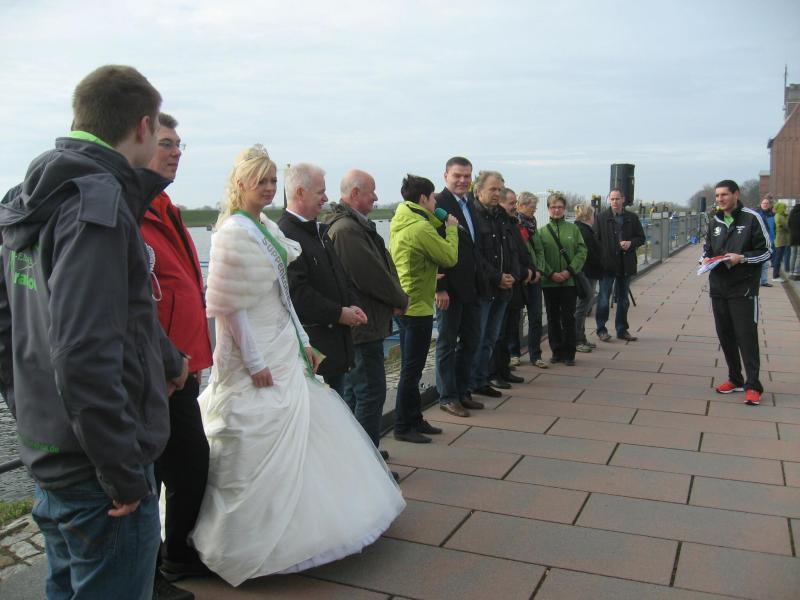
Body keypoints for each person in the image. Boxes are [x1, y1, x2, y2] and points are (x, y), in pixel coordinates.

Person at [0, 65, 188, 600]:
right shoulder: (97, 205)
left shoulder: (27, 200)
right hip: (98, 470)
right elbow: (82, 351)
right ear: (143, 126)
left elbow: (9, 331)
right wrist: (122, 472)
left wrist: (167, 358)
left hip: (52, 450)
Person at [190, 145, 405, 585]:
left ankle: (313, 527)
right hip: (254, 347)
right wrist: (253, 361)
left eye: (273, 180)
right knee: (252, 433)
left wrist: (303, 341)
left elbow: (283, 295)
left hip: (283, 341)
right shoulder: (231, 231)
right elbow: (231, 309)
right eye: (262, 181)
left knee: (308, 426)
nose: (270, 188)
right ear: (241, 184)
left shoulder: (266, 226)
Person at [140, 113, 213, 597]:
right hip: (153, 370)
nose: (176, 152)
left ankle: (177, 552)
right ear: (139, 142)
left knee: (189, 463)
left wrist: (192, 358)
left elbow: (184, 285)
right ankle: (150, 574)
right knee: (150, 475)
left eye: (179, 144)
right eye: (166, 143)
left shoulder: (165, 208)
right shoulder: (132, 213)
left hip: (181, 365)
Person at [324, 170, 408, 453]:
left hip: (364, 323)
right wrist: (400, 299)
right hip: (363, 326)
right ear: (355, 193)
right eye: (371, 191)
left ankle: (358, 454)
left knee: (356, 392)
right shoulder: (347, 230)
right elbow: (371, 275)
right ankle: (367, 459)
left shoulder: (351, 226)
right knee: (370, 392)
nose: (376, 197)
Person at [278, 164, 367, 396]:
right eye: (320, 192)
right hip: (316, 351)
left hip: (335, 346)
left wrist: (353, 303)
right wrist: (339, 313)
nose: (326, 198)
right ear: (300, 192)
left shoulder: (318, 232)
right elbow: (297, 294)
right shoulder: (286, 235)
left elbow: (341, 276)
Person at [390, 174, 459, 443]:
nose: (435, 204)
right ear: (423, 199)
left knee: (412, 368)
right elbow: (449, 257)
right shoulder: (420, 227)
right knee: (411, 370)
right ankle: (402, 426)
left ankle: (414, 418)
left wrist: (430, 275)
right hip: (416, 308)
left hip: (408, 300)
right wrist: (451, 228)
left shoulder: (403, 221)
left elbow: (412, 259)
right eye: (433, 199)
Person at [702, 180, 771, 406]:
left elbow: (767, 251)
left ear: (736, 194)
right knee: (725, 335)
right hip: (718, 288)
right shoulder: (714, 221)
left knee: (746, 337)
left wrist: (742, 258)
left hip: (744, 288)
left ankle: (753, 385)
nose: (720, 199)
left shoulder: (752, 218)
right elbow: (707, 248)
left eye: (724, 195)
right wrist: (705, 259)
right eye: (717, 196)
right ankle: (735, 378)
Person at [434, 157, 486, 417]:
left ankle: (463, 392)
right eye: (457, 175)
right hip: (450, 288)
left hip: (471, 287)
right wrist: (439, 288)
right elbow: (432, 247)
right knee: (446, 344)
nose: (463, 180)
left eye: (467, 176)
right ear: (446, 176)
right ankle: (447, 396)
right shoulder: (438, 205)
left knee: (471, 341)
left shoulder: (470, 204)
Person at [469, 171, 517, 397]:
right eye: (493, 189)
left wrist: (513, 275)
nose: (497, 193)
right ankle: (470, 383)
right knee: (477, 339)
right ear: (478, 191)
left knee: (491, 338)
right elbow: (475, 255)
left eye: (499, 189)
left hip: (504, 288)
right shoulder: (472, 215)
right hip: (484, 288)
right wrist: (496, 277)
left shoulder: (502, 216)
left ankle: (481, 380)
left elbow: (512, 249)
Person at [537, 192, 587, 366]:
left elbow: (582, 252)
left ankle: (569, 353)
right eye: (553, 207)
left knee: (568, 317)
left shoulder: (573, 229)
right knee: (552, 318)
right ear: (548, 209)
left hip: (569, 282)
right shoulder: (542, 232)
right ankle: (556, 351)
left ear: (564, 209)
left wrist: (569, 271)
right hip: (549, 282)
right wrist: (550, 273)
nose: (556, 210)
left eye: (559, 207)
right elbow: (539, 256)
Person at [490, 188, 531, 387]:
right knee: (498, 333)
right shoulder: (500, 225)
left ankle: (504, 370)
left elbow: (520, 252)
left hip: (515, 285)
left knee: (509, 331)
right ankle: (494, 372)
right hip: (504, 284)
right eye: (511, 203)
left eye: (515, 203)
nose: (515, 207)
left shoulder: (512, 223)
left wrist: (529, 270)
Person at [594, 188, 645, 342]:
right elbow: (595, 240)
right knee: (604, 298)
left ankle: (622, 330)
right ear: (609, 200)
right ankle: (601, 330)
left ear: (623, 199)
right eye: (612, 199)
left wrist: (630, 243)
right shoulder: (601, 217)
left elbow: (641, 238)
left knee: (623, 299)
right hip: (607, 265)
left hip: (626, 263)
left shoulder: (632, 218)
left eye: (617, 199)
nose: (615, 202)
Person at [512, 192, 547, 368]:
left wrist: (538, 270)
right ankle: (514, 353)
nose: (534, 210)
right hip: (519, 277)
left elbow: (539, 250)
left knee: (536, 316)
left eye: (535, 207)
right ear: (520, 206)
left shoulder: (533, 224)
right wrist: (523, 273)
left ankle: (535, 354)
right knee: (515, 317)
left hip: (535, 277)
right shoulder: (514, 224)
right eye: (532, 207)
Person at [574, 203, 603, 353]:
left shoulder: (579, 229)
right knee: (582, 307)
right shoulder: (585, 231)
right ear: (588, 216)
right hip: (587, 273)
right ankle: (577, 339)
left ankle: (581, 337)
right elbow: (590, 254)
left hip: (585, 272)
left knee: (582, 306)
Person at [756, 197, 775, 287]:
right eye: (764, 203)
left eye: (767, 203)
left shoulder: (772, 215)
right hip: (759, 241)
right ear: (761, 204)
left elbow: (773, 228)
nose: (765, 205)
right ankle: (758, 281)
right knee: (759, 262)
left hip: (770, 240)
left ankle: (764, 281)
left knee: (766, 263)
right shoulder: (757, 214)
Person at [772, 201, 789, 282]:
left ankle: (776, 275)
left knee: (778, 257)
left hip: (780, 240)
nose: (785, 209)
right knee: (778, 258)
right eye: (784, 208)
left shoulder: (778, 215)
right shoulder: (780, 216)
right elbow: (787, 226)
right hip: (780, 240)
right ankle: (775, 276)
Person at [789, 202, 800, 280]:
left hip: (792, 237)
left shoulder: (791, 214)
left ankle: (791, 272)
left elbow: (789, 225)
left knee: (793, 255)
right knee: (799, 256)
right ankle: (796, 273)